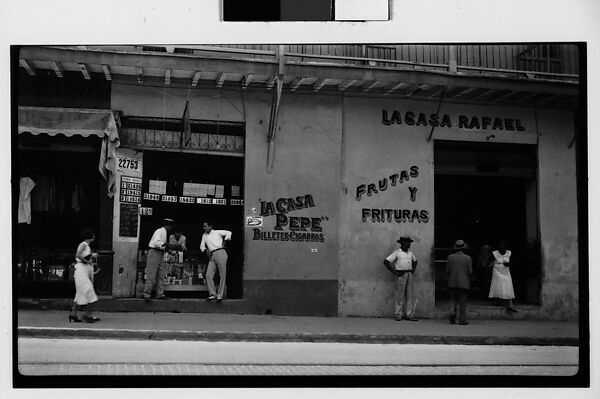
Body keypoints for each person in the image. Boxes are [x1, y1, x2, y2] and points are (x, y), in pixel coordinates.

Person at [383, 235, 418, 321]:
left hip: (409, 274)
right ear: (403, 243)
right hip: (401, 274)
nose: (409, 244)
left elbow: (415, 261)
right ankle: (398, 315)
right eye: (407, 242)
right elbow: (386, 262)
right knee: (400, 295)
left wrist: (412, 271)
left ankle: (409, 315)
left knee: (409, 295)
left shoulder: (410, 253)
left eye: (409, 242)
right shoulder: (397, 252)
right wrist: (394, 272)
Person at [68, 228, 100, 323]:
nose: (94, 237)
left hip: (83, 272)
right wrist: (88, 261)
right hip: (81, 272)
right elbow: (78, 255)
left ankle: (73, 314)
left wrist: (92, 256)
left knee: (80, 294)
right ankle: (87, 315)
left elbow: (84, 255)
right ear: (90, 236)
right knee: (89, 291)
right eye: (93, 235)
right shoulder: (84, 244)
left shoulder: (87, 246)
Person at [143, 218, 175, 303]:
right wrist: (168, 245)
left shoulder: (164, 232)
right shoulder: (159, 231)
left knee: (161, 274)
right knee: (151, 274)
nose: (171, 228)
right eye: (170, 226)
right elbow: (157, 243)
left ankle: (160, 294)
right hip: (154, 252)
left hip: (161, 253)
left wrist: (167, 248)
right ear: (167, 225)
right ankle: (147, 294)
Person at [200, 221, 232, 303]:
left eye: (205, 226)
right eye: (203, 226)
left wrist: (225, 242)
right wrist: (205, 250)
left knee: (222, 275)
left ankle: (220, 295)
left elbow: (229, 232)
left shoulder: (217, 232)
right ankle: (213, 294)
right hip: (212, 254)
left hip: (220, 252)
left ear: (210, 226)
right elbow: (201, 246)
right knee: (208, 275)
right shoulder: (204, 235)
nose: (204, 228)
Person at [446, 239, 473, 325]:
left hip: (452, 282)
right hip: (464, 283)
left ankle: (452, 316)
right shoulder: (468, 258)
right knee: (462, 302)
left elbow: (447, 270)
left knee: (453, 300)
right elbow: (470, 271)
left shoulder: (450, 257)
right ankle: (462, 320)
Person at [488, 241, 518, 313]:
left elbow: (513, 262)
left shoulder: (509, 253)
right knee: (499, 285)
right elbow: (489, 262)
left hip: (506, 272)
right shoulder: (494, 253)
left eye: (503, 246)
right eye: (500, 246)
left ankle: (508, 304)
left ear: (505, 246)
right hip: (497, 271)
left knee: (508, 285)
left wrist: (509, 264)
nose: (501, 247)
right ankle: (506, 304)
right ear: (498, 247)